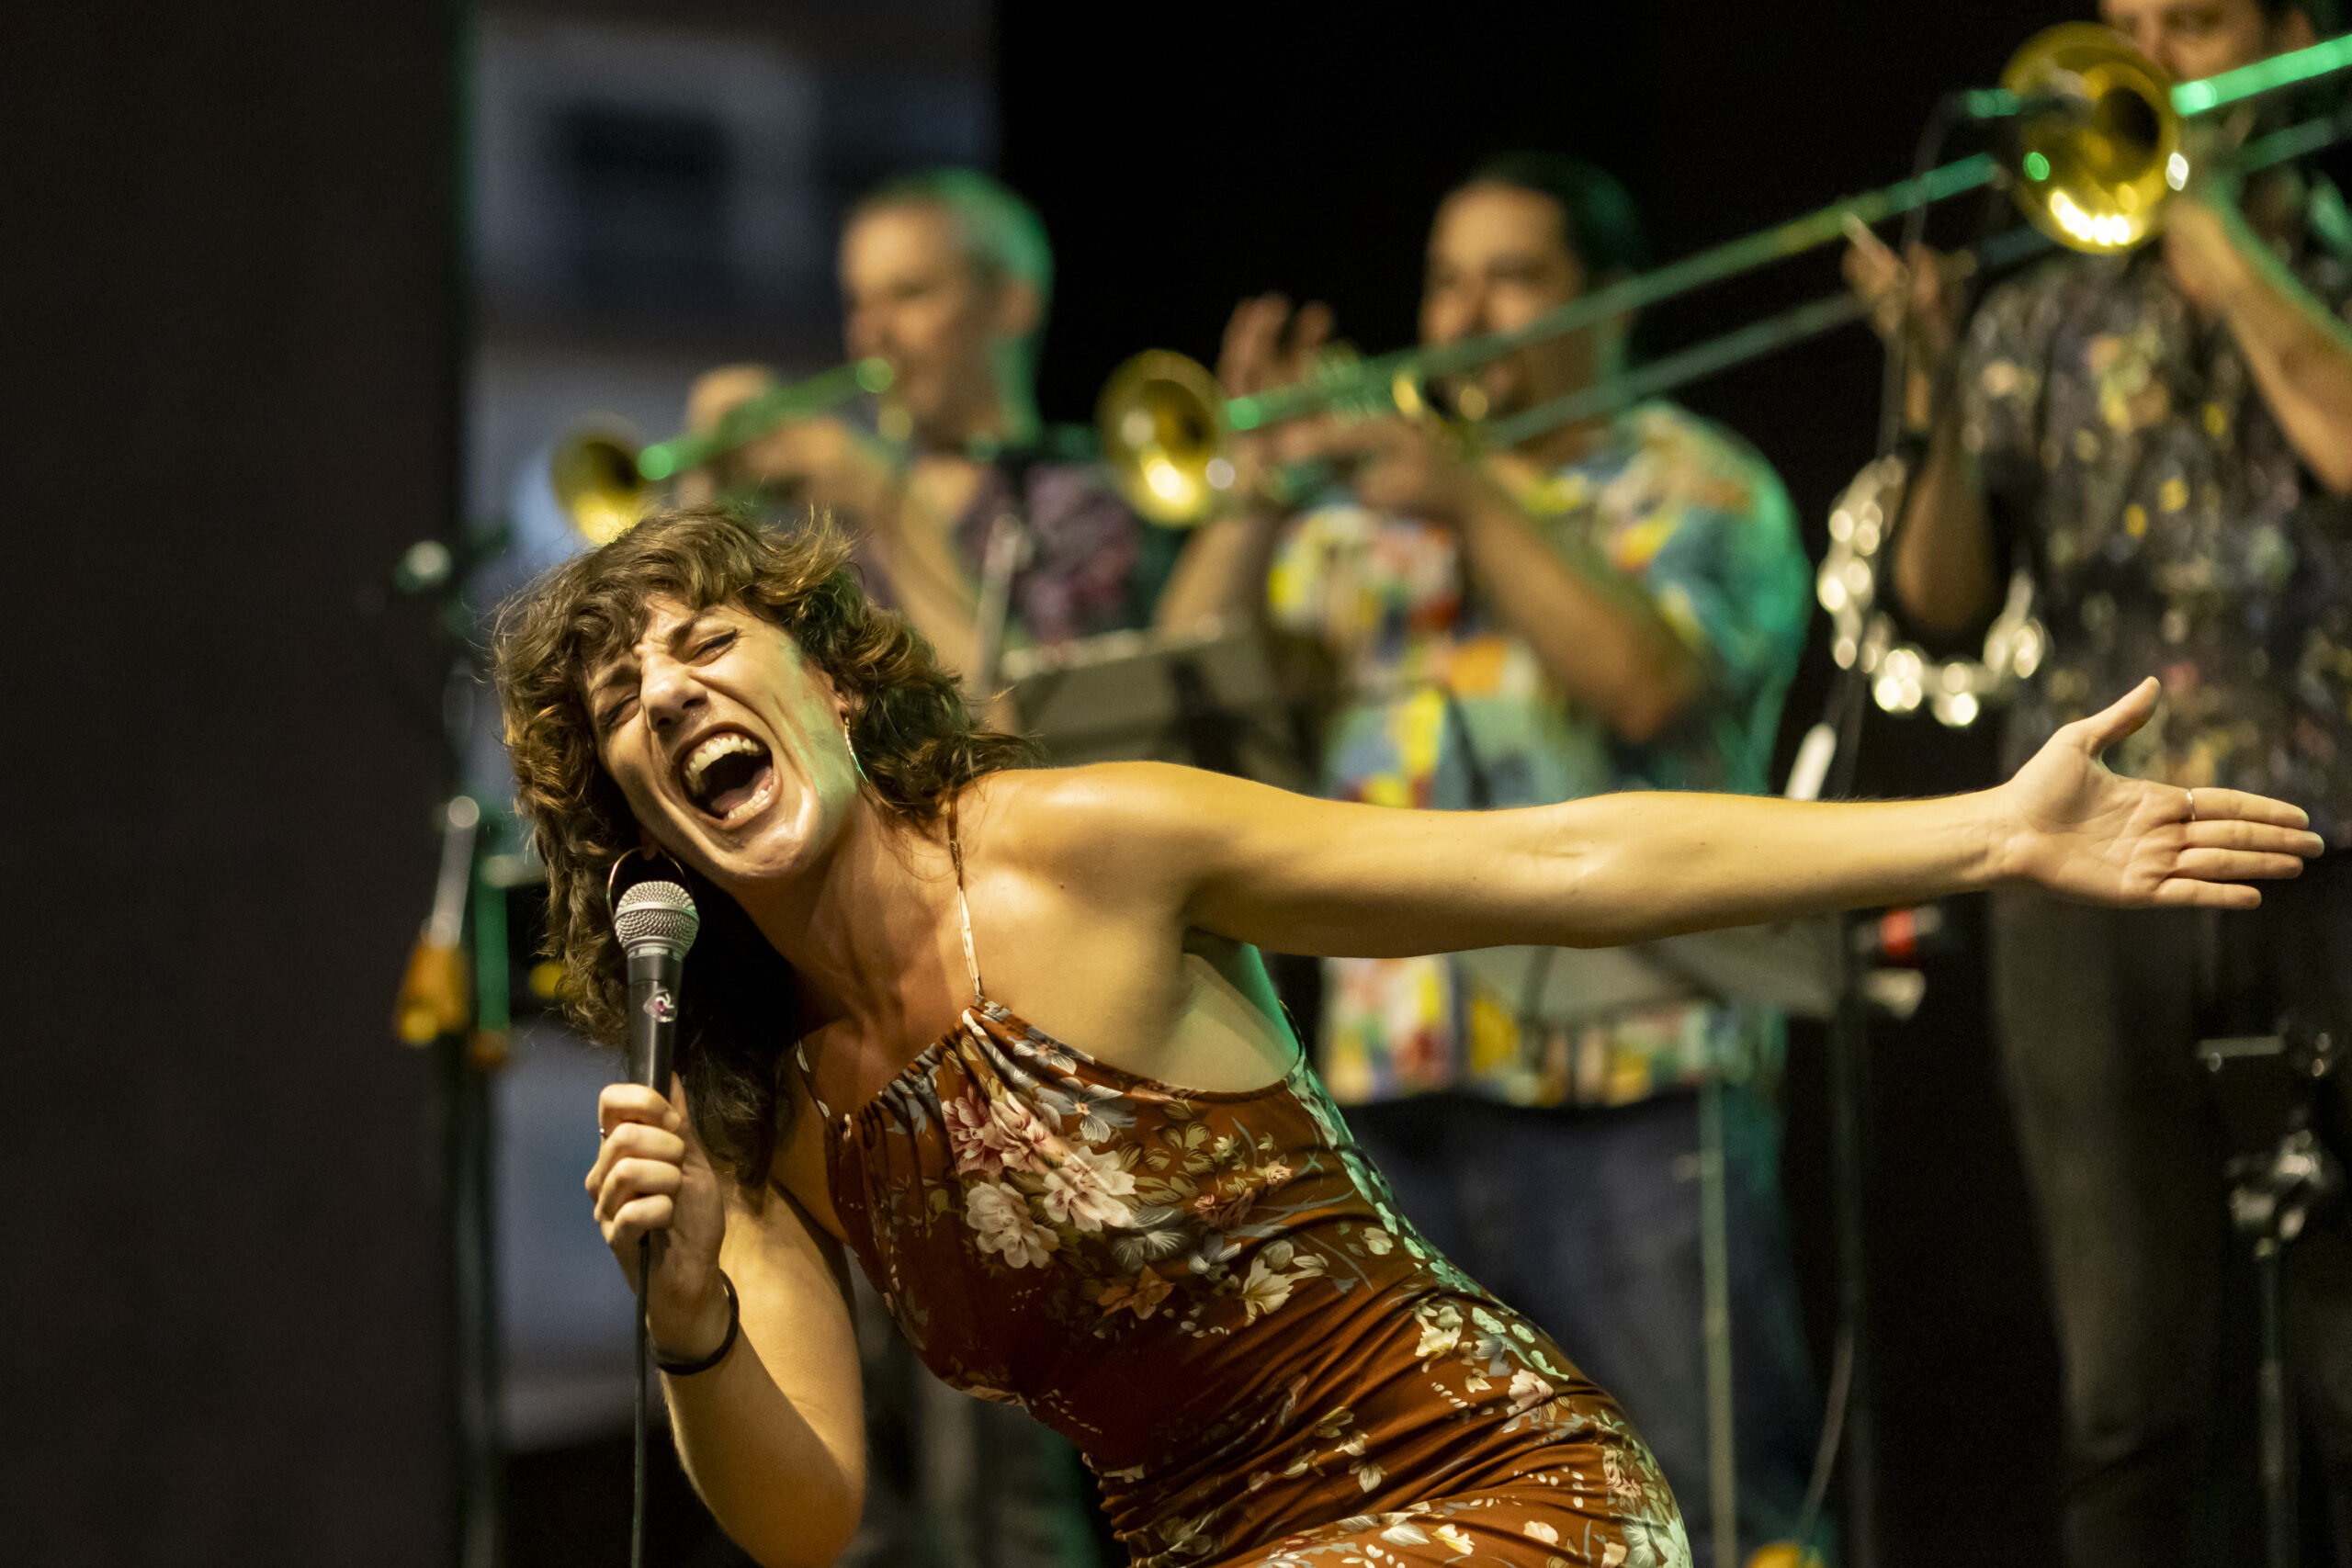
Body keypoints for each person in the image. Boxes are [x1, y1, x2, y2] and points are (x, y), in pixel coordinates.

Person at [494, 506, 2318, 1568]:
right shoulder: (747, 1114)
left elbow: (1552, 863)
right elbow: (804, 1516)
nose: (670, 694)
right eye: (622, 703)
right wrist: (689, 1317)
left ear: (826, 675)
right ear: (640, 824)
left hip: (1494, 1485)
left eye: (705, 641)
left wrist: (1983, 829)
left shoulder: (1075, 846)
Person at [1157, 153, 1817, 1551]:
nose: (1463, 317)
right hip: (1400, 1083)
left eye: (1511, 278)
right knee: (1440, 1511)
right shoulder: (1356, 519)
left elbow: (1643, 681)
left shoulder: (1698, 483)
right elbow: (1173, 698)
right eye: (1446, 281)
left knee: (1708, 1496)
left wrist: (1472, 496)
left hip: (1637, 1079)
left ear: (1610, 299)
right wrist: (1255, 490)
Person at [1845, 1, 2352, 1560]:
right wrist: (1933, 391)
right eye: (2126, 27)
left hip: (2331, 850)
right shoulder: (2039, 317)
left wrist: (2212, 232)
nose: (2153, 60)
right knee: (2126, 1389)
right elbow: (1939, 604)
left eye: (2193, 23)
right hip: (2091, 876)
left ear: (2293, 37)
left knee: (2350, 1370)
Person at [683, 168, 1176, 688]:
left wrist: (890, 506)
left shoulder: (1088, 498)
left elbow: (1038, 718)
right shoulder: (833, 518)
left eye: (909, 294)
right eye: (857, 304)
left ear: (1011, 302)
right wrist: (711, 505)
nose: (872, 334)